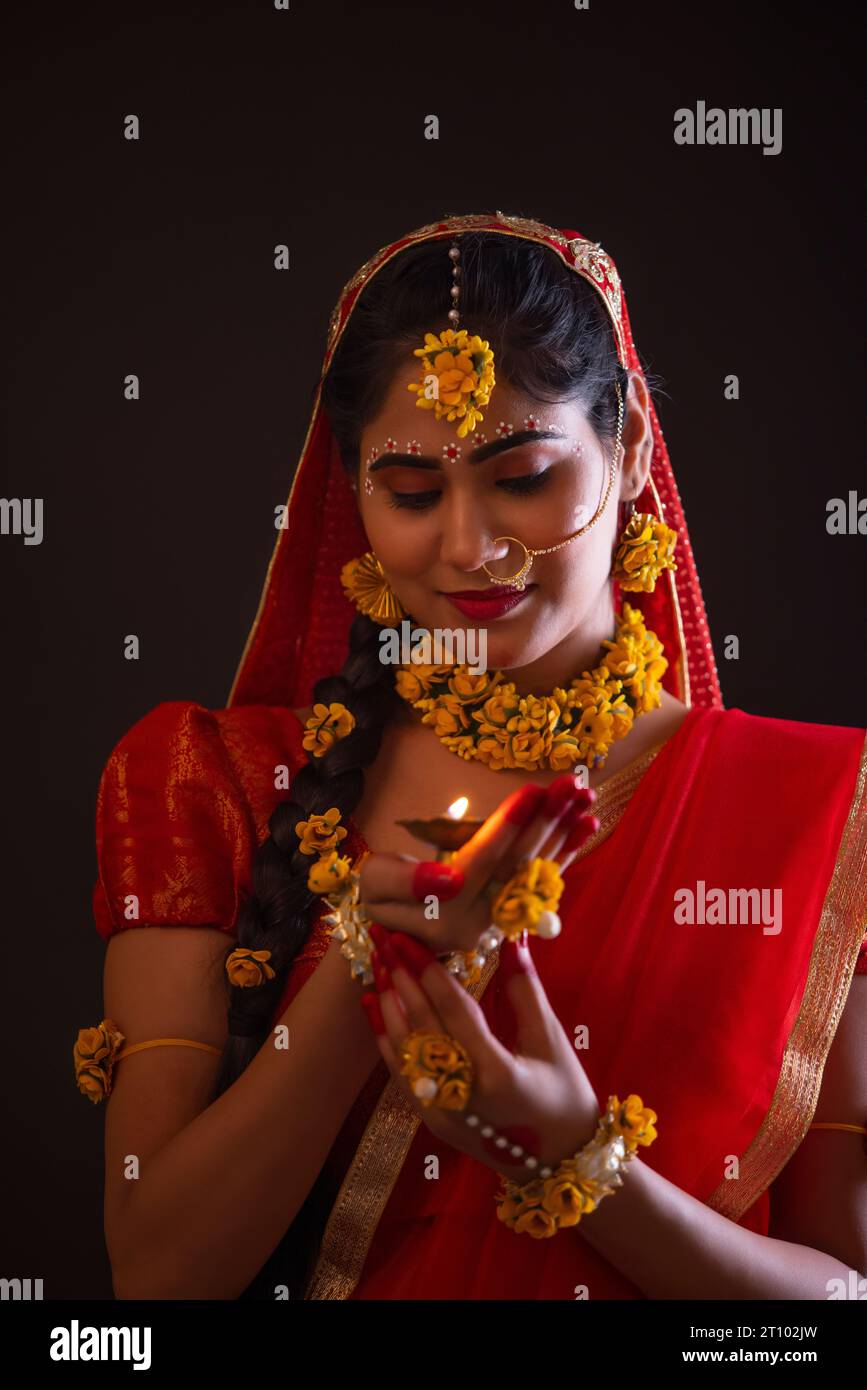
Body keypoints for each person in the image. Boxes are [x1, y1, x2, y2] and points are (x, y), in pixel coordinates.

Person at [77, 212, 867, 1301]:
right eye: (409, 492)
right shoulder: (208, 779)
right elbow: (159, 1281)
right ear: (349, 490)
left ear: (630, 447)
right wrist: (374, 967)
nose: (467, 545)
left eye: (525, 476)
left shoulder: (817, 810)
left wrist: (577, 1156)